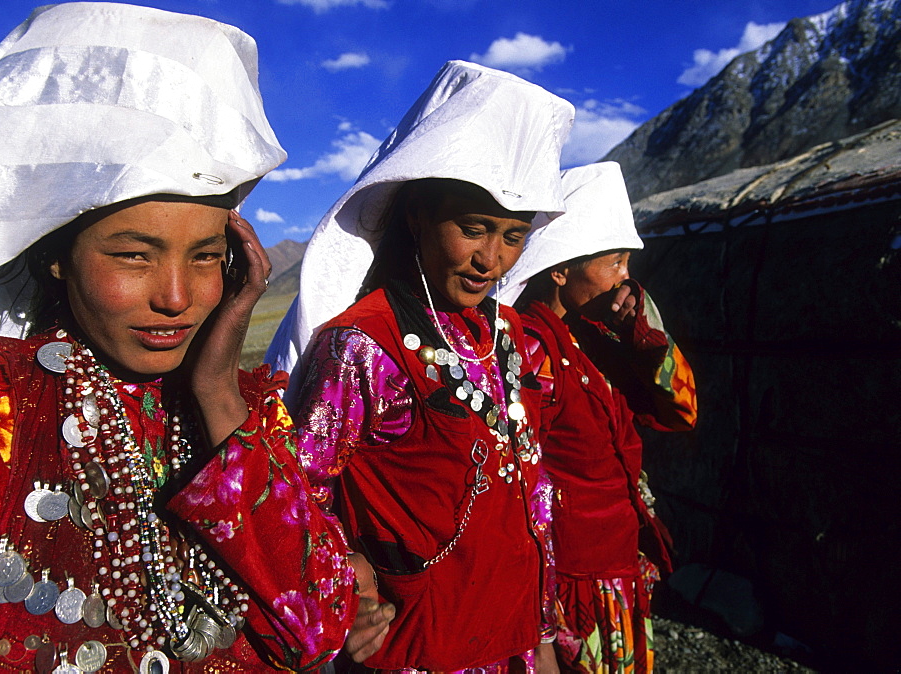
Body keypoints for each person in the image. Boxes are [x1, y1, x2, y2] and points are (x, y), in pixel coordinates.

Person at [0, 4, 391, 670]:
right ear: (55, 254)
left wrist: (216, 391)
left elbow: (316, 629)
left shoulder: (244, 411)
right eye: (133, 255)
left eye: (204, 255)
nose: (176, 297)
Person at [266, 60, 575, 672]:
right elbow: (301, 489)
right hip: (421, 643)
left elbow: (530, 494)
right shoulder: (362, 346)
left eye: (513, 237)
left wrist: (541, 632)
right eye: (474, 228)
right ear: (416, 217)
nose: (491, 259)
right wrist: (347, 587)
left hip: (512, 632)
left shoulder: (509, 336)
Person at [505, 162, 698, 672]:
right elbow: (520, 481)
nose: (625, 277)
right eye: (614, 262)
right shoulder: (530, 349)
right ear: (562, 269)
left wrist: (643, 338)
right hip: (574, 578)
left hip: (618, 561)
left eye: (627, 262)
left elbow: (682, 411)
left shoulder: (600, 338)